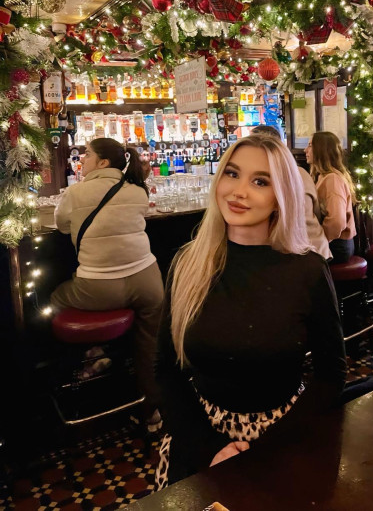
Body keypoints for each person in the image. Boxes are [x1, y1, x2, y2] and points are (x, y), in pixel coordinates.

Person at [155, 134, 346, 488]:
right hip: (200, 436)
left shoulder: (307, 270)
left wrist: (267, 449)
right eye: (232, 174)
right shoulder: (187, 263)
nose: (238, 191)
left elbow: (331, 375)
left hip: (285, 435)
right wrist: (209, 448)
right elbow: (166, 370)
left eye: (260, 181)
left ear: (280, 196)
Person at [51, 138, 164, 431]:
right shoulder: (138, 190)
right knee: (149, 347)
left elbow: (62, 226)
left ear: (103, 163)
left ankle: (93, 355)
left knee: (53, 300)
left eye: (87, 154)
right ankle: (151, 412)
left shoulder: (75, 192)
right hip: (149, 281)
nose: (81, 158)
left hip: (98, 288)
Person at [251, 125, 331, 259]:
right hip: (317, 248)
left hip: (297, 253)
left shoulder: (267, 177)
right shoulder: (301, 172)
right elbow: (316, 212)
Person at [306, 131, 356, 263]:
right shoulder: (322, 176)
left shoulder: (332, 179)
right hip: (335, 242)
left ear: (322, 150)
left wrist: (320, 241)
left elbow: (337, 222)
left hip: (337, 246)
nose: (305, 150)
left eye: (310, 145)